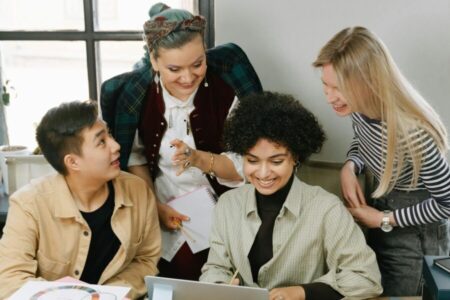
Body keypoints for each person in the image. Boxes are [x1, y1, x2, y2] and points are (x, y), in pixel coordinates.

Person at [100, 3, 262, 280]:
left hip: (225, 208)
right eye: (174, 69)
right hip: (161, 205)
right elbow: (135, 158)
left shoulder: (228, 89)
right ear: (153, 61)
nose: (188, 78)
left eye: (198, 64)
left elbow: (249, 164)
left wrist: (199, 159)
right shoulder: (136, 97)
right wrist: (154, 206)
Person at [200, 92, 382, 300]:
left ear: (295, 157)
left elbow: (366, 278)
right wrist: (220, 286)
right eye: (252, 161)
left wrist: (303, 292)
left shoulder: (326, 209)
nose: (263, 173)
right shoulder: (228, 204)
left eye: (276, 161)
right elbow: (215, 267)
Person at [313, 26, 450, 296]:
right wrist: (350, 167)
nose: (329, 97)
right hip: (382, 210)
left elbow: (447, 203)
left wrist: (384, 219)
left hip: (415, 232)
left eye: (338, 88)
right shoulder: (358, 108)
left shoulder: (413, 133)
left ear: (369, 83)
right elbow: (364, 143)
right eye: (325, 85)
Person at [0, 101, 161, 299]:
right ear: (73, 162)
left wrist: (108, 294)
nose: (116, 146)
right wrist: (79, 295)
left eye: (109, 134)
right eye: (101, 142)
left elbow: (146, 260)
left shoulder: (137, 191)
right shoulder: (28, 204)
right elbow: (10, 280)